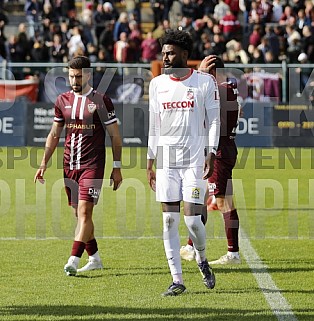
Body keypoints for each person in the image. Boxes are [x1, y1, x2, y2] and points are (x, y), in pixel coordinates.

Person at [146, 30, 220, 296]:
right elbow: (154, 124)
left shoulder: (204, 82)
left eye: (170, 52)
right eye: (163, 52)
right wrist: (150, 158)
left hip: (194, 160)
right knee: (168, 221)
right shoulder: (157, 84)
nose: (164, 57)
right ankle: (177, 280)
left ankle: (201, 257)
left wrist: (211, 151)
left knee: (192, 221)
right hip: (166, 160)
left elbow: (213, 120)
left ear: (185, 55)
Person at [34, 56, 123, 276]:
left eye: (78, 76)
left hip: (92, 165)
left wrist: (117, 167)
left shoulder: (101, 101)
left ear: (88, 75)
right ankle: (94, 258)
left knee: (85, 212)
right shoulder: (62, 100)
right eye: (71, 76)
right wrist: (44, 163)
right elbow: (54, 134)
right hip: (69, 165)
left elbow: (115, 136)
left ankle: (73, 260)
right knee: (79, 214)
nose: (74, 80)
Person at [180, 55, 241, 265]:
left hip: (218, 151)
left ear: (212, 71)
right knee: (204, 198)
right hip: (227, 147)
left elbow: (192, 101)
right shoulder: (230, 88)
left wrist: (201, 76)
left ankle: (233, 254)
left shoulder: (217, 89)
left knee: (222, 202)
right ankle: (190, 246)